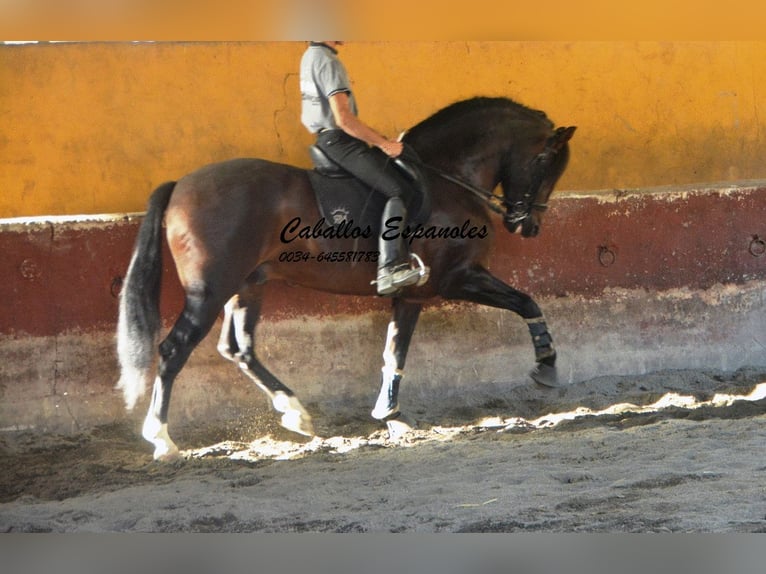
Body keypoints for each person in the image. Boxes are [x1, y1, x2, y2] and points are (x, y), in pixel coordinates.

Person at [299, 41, 428, 296]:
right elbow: (344, 119)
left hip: (328, 139)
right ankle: (389, 268)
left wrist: (379, 140)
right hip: (339, 140)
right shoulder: (328, 61)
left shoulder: (310, 56)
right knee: (397, 190)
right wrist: (384, 144)